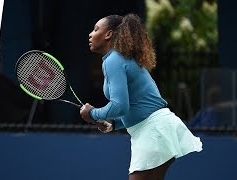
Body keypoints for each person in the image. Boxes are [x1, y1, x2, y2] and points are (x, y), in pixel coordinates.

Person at [80, 13, 203, 180]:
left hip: (153, 130)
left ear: (108, 34)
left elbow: (119, 106)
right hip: (157, 128)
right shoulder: (118, 59)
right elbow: (136, 106)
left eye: (95, 29)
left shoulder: (113, 60)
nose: (90, 34)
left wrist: (92, 113)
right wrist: (114, 124)